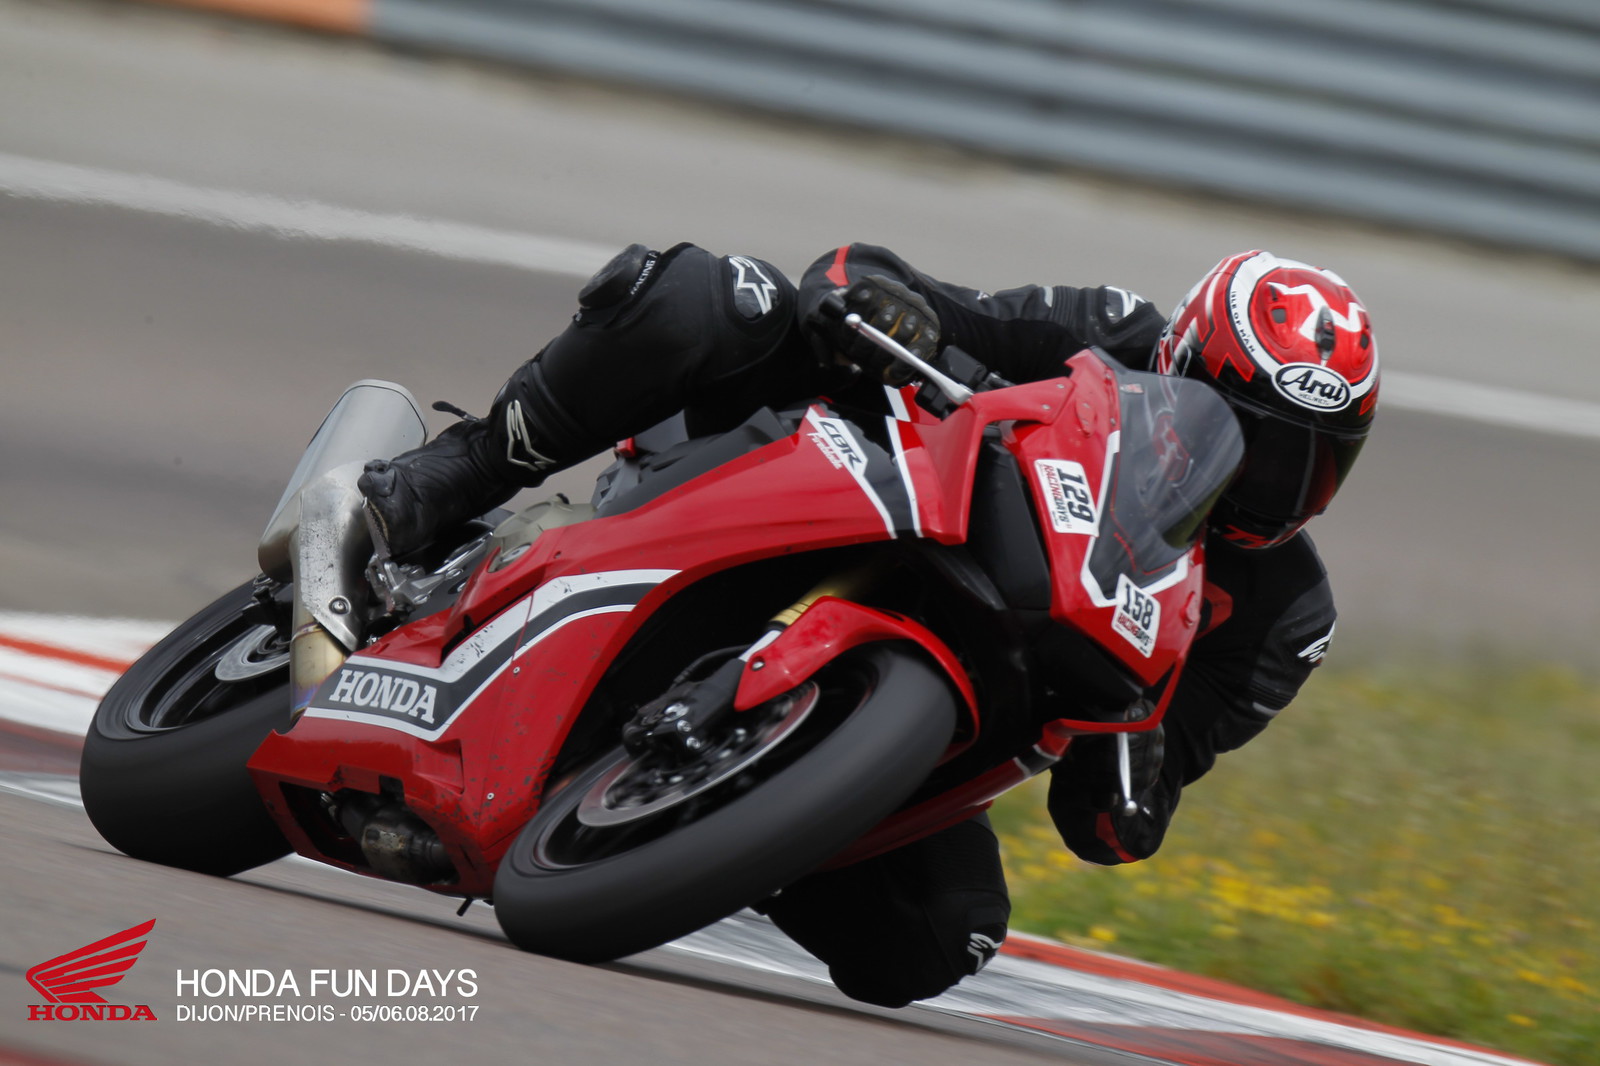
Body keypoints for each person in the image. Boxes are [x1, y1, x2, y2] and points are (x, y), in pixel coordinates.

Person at [358, 241, 1379, 1006]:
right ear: (1181, 361)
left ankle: (720, 826)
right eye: (1250, 437)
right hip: (848, 486)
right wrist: (881, 306)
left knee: (939, 938)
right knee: (716, 297)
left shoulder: (1281, 618)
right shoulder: (1108, 333)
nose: (1268, 480)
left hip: (963, 689)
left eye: (1311, 461)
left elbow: (1114, 816)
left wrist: (1138, 773)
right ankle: (461, 471)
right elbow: (876, 279)